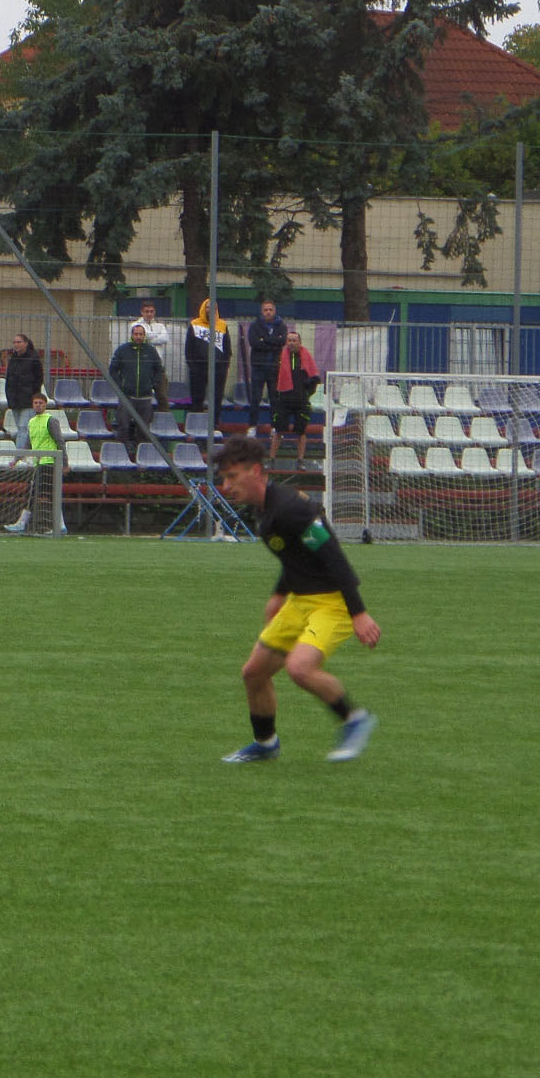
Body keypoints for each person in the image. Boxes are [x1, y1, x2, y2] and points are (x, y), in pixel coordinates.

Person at [212, 435, 380, 763]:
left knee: (300, 668)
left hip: (332, 603)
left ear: (256, 471)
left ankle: (355, 719)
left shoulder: (291, 509)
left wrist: (358, 612)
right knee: (254, 673)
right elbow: (295, 557)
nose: (226, 486)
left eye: (232, 477)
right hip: (300, 601)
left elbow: (333, 556)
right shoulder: (264, 511)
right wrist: (279, 595)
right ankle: (265, 744)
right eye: (224, 478)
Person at [4, 392, 67, 535]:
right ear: (32, 405)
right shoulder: (32, 422)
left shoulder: (50, 420)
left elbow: (60, 442)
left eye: (41, 403)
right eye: (35, 403)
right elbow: (28, 444)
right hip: (39, 463)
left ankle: (22, 523)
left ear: (45, 405)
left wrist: (65, 463)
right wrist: (16, 459)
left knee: (34, 493)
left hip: (50, 462)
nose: (38, 405)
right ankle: (60, 525)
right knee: (46, 494)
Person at [107, 322, 166, 450]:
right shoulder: (123, 350)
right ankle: (121, 452)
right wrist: (120, 385)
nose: (138, 336)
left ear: (144, 336)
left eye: (141, 334)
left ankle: (141, 453)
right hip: (127, 396)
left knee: (144, 429)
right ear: (132, 335)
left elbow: (158, 370)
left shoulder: (151, 351)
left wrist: (153, 384)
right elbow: (113, 370)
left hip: (145, 397)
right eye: (136, 334)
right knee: (123, 426)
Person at [267, 330, 321, 464]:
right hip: (284, 400)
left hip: (301, 400)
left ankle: (300, 460)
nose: (291, 343)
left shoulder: (306, 357)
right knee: (278, 430)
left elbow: (314, 377)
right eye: (289, 340)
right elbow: (273, 377)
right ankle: (272, 459)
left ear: (299, 342)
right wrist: (276, 394)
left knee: (301, 432)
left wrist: (307, 392)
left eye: (294, 340)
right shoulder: (280, 358)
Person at [244, 299, 289, 436]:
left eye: (270, 309)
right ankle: (252, 426)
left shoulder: (281, 325)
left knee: (274, 399)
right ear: (261, 311)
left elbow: (282, 341)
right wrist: (273, 341)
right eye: (265, 310)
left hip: (275, 368)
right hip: (258, 367)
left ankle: (274, 427)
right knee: (255, 398)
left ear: (275, 311)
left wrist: (264, 339)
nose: (268, 312)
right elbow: (254, 343)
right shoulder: (255, 325)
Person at [185, 300, 231, 415]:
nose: (210, 310)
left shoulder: (223, 325)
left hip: (218, 368)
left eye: (213, 308)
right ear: (203, 308)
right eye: (208, 307)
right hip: (198, 368)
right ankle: (197, 421)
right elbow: (189, 348)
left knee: (217, 397)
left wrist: (225, 366)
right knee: (197, 396)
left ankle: (215, 422)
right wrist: (192, 366)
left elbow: (227, 348)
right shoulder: (194, 324)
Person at [4, 333, 44, 445]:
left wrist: (33, 395)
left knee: (23, 428)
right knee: (22, 428)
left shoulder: (33, 358)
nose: (16, 344)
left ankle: (19, 453)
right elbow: (9, 379)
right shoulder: (13, 359)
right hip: (14, 399)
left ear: (26, 343)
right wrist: (9, 396)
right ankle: (29, 450)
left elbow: (39, 379)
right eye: (15, 342)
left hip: (28, 399)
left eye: (19, 342)